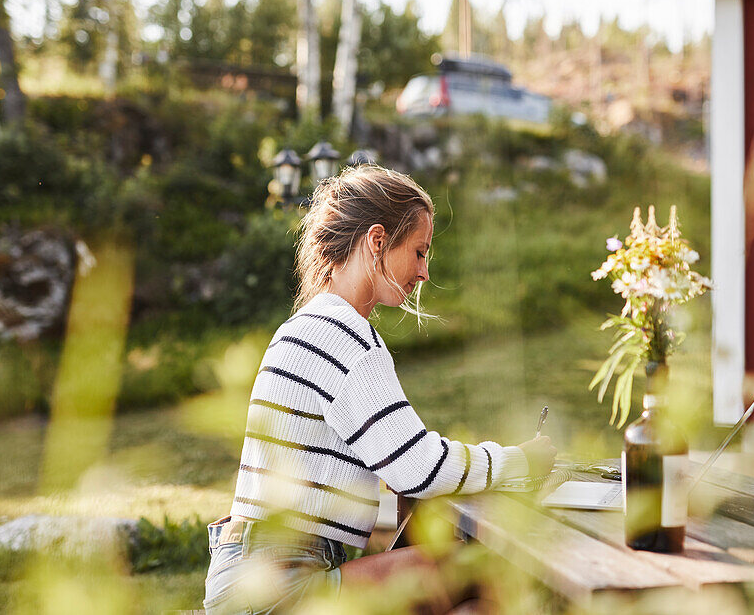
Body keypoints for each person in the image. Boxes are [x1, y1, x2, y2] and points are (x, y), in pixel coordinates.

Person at [203, 164, 556, 614]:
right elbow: (418, 467)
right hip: (274, 588)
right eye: (420, 252)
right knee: (484, 569)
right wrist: (520, 460)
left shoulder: (309, 324)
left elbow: (389, 468)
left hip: (250, 577)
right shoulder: (341, 334)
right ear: (376, 241)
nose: (424, 272)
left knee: (445, 560)